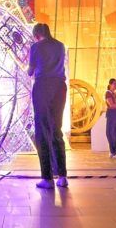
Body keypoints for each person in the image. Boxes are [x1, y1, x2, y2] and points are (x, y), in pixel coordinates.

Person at [28, 23, 68, 189]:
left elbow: (31, 71)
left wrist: (29, 69)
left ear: (37, 34)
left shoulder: (36, 47)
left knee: (42, 131)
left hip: (43, 86)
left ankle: (47, 178)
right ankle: (63, 176)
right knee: (56, 129)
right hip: (60, 87)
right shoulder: (60, 46)